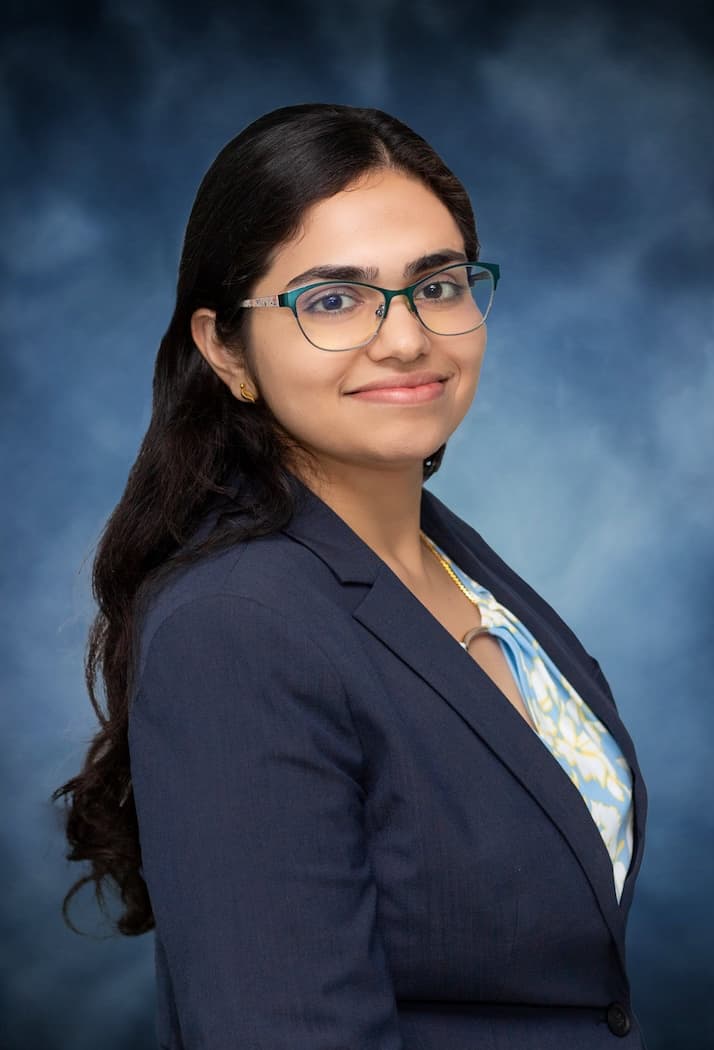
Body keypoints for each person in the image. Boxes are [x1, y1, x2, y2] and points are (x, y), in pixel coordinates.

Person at [52, 102, 648, 1049]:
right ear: (225, 350)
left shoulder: (454, 565)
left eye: (438, 285)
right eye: (333, 299)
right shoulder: (239, 626)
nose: (408, 339)